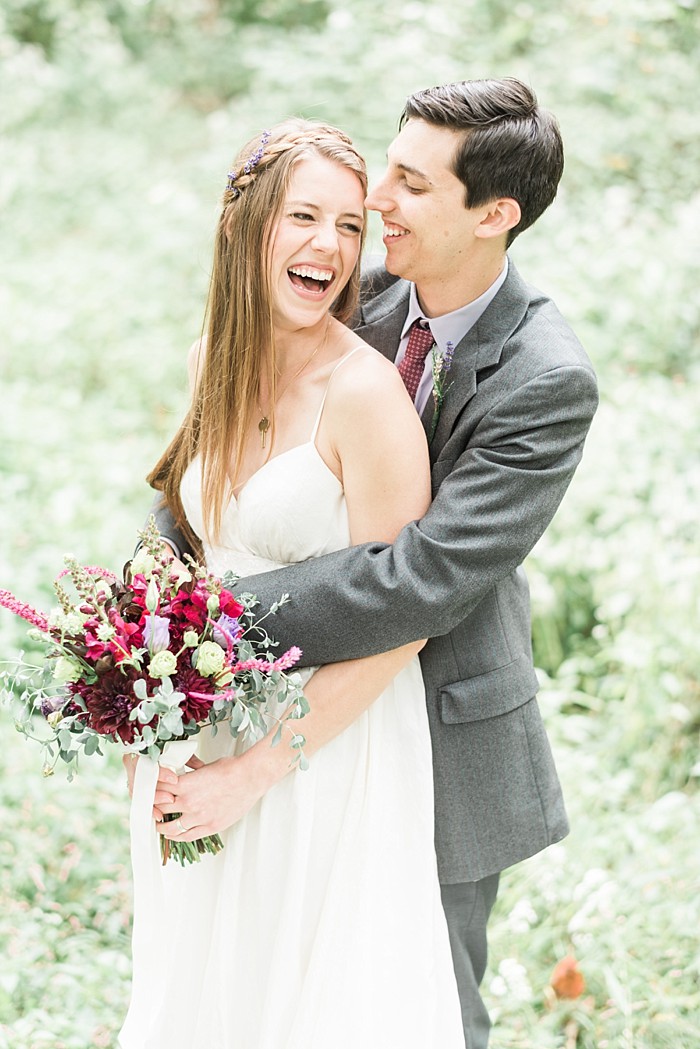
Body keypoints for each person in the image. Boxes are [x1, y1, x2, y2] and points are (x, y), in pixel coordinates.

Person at [151, 79, 599, 1048]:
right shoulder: (359, 286)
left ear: (494, 214)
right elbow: (228, 432)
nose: (377, 203)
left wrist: (209, 620)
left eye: (407, 182)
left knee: (416, 1006)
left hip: (436, 731)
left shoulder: (544, 377)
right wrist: (151, 596)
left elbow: (422, 578)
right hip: (267, 709)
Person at [120, 118, 465, 1049]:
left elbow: (406, 618)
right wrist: (142, 718)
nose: (331, 246)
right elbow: (191, 551)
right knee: (209, 991)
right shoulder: (211, 363)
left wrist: (262, 768)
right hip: (205, 729)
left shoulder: (365, 394)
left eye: (351, 226)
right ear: (245, 227)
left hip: (327, 747)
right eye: (304, 216)